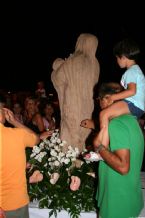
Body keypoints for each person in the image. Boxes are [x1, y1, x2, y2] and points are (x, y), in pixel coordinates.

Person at [83, 82, 144, 218]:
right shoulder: (131, 120)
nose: (99, 104)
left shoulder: (116, 125)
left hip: (117, 201)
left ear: (108, 99)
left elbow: (123, 167)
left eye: (99, 99)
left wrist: (99, 147)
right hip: (128, 196)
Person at [51, 33, 100, 152]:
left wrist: (58, 64)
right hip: (87, 107)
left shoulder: (73, 61)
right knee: (81, 135)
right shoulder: (95, 64)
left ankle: (67, 164)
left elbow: (58, 78)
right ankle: (79, 162)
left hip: (72, 103)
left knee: (69, 133)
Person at [95, 38, 145, 147]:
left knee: (104, 114)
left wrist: (113, 97)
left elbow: (132, 91)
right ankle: (108, 143)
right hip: (137, 107)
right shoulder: (136, 70)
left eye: (117, 58)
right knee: (111, 117)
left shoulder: (131, 71)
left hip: (133, 104)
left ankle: (102, 148)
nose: (117, 61)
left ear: (123, 56)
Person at [0, 105, 40, 218]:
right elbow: (36, 139)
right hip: (15, 202)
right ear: (3, 116)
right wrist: (14, 122)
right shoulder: (17, 134)